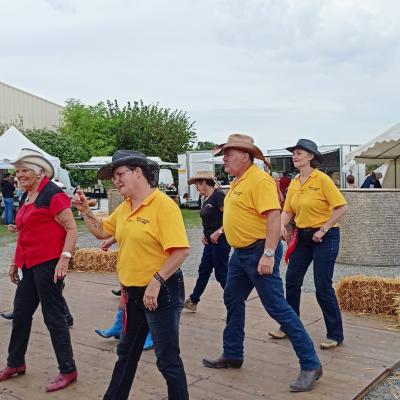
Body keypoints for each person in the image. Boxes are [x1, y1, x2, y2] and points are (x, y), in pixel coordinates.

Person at [202, 134, 322, 393]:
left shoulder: (259, 180)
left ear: (245, 156)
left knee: (278, 308)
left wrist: (269, 254)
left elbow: (273, 216)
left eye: (228, 154)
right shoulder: (238, 181)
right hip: (240, 254)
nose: (224, 159)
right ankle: (233, 353)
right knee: (232, 300)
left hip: (258, 252)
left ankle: (311, 364)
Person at [72, 150, 190, 400]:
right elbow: (102, 232)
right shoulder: (126, 207)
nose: (115, 181)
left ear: (139, 172)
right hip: (134, 292)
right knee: (126, 353)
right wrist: (84, 210)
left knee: (167, 359)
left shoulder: (163, 206)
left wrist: (156, 282)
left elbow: (180, 251)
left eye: (119, 174)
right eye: (113, 177)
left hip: (162, 291)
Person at [0, 149, 77, 392]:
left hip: (50, 263)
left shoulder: (52, 194)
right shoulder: (27, 195)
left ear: (39, 172)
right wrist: (15, 262)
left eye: (24, 171)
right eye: (17, 171)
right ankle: (15, 363)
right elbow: (25, 232)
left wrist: (65, 259)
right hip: (29, 264)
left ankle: (68, 369)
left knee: (53, 317)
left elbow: (72, 228)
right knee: (21, 313)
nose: (19, 175)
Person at [269, 139, 347, 350]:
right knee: (292, 281)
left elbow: (340, 207)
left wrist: (323, 229)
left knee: (322, 286)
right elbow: (288, 210)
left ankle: (335, 334)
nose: (295, 156)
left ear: (311, 156)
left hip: (325, 237)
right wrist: (281, 226)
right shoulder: (295, 181)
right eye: (294, 153)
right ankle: (289, 326)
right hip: (303, 237)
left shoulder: (322, 180)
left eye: (299, 153)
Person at [1, 223, 74, 326]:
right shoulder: (28, 207)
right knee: (32, 288)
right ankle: (18, 311)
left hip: (49, 254)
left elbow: (62, 228)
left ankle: (66, 317)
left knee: (50, 291)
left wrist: (65, 257)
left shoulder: (55, 209)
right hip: (33, 254)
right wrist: (19, 227)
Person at [94, 236, 154, 351]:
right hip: (129, 256)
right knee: (124, 294)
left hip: (147, 258)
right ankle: (119, 326)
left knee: (147, 298)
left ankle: (151, 334)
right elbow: (124, 226)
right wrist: (112, 240)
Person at [183, 171, 230, 312]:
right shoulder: (205, 198)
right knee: (204, 270)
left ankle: (233, 304)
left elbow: (231, 217)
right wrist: (205, 234)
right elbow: (209, 220)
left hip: (221, 242)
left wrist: (219, 232)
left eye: (197, 184)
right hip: (210, 242)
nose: (196, 187)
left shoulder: (218, 195)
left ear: (204, 182)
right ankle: (193, 300)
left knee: (221, 274)